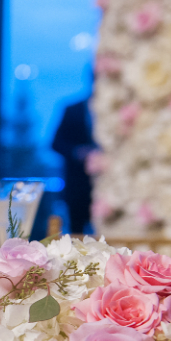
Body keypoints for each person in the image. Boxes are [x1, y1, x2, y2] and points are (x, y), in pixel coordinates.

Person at [51, 94, 97, 235]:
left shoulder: (116, 108)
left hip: (108, 183)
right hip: (77, 184)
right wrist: (77, 152)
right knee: (76, 234)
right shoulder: (73, 109)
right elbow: (55, 143)